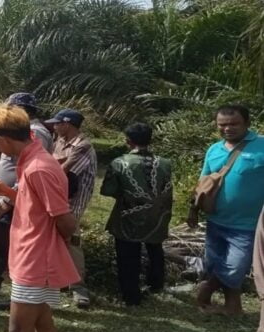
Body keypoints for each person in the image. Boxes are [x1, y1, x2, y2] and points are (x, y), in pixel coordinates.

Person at [0, 104, 79, 332]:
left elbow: (64, 220)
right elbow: (33, 204)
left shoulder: (38, 168)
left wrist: (54, 245)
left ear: (3, 139)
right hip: (32, 254)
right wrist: (4, 190)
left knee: (18, 330)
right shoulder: (31, 160)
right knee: (42, 323)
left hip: (35, 260)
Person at [0, 92, 54, 324]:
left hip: (16, 206)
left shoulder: (33, 134)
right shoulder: (25, 135)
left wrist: (7, 200)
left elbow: (27, 176)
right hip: (12, 202)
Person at [188, 104, 264, 315]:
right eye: (222, 125)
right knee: (215, 263)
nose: (227, 128)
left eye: (233, 124)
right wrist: (193, 210)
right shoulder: (214, 150)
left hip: (248, 224)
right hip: (216, 221)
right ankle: (233, 307)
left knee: (235, 266)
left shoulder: (262, 146)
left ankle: (206, 288)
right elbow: (202, 183)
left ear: (247, 123)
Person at [100, 123, 173, 306]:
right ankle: (155, 285)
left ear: (128, 141)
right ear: (150, 140)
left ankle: (131, 295)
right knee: (155, 249)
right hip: (158, 216)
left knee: (127, 255)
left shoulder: (119, 163)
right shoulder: (165, 163)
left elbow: (108, 190)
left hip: (128, 215)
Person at [46, 108, 97, 308]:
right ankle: (56, 282)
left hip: (73, 203)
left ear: (67, 124)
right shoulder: (58, 142)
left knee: (72, 242)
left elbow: (63, 170)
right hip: (58, 200)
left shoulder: (83, 146)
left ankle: (78, 288)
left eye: (57, 123)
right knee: (55, 241)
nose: (55, 127)